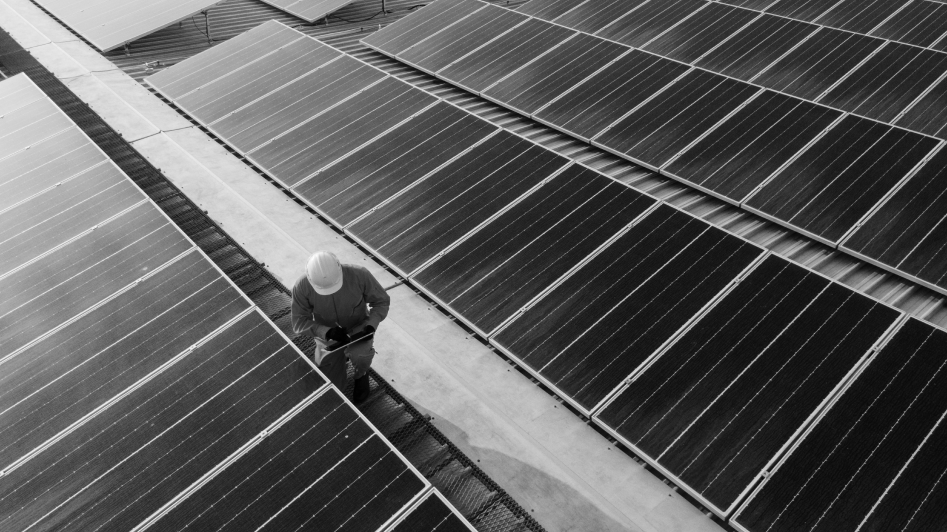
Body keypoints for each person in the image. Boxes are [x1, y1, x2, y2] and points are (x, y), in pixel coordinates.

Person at [291, 251, 390, 402]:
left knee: (361, 356)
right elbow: (299, 322)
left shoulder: (360, 275)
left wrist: (371, 325)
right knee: (329, 383)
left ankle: (361, 375)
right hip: (328, 336)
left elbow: (381, 301)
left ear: (340, 270)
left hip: (359, 329)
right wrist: (326, 331)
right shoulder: (301, 287)